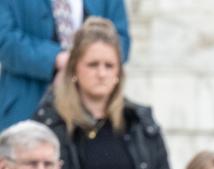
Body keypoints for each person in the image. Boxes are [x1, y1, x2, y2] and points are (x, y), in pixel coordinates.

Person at [33, 16, 176, 169]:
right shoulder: (49, 126)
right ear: (74, 70)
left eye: (109, 65)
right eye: (93, 65)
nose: (101, 73)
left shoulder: (142, 124)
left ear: (119, 72)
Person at [0, 0, 131, 131]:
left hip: (95, 115)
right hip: (27, 105)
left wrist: (92, 59)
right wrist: (58, 59)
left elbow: (120, 42)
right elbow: (5, 39)